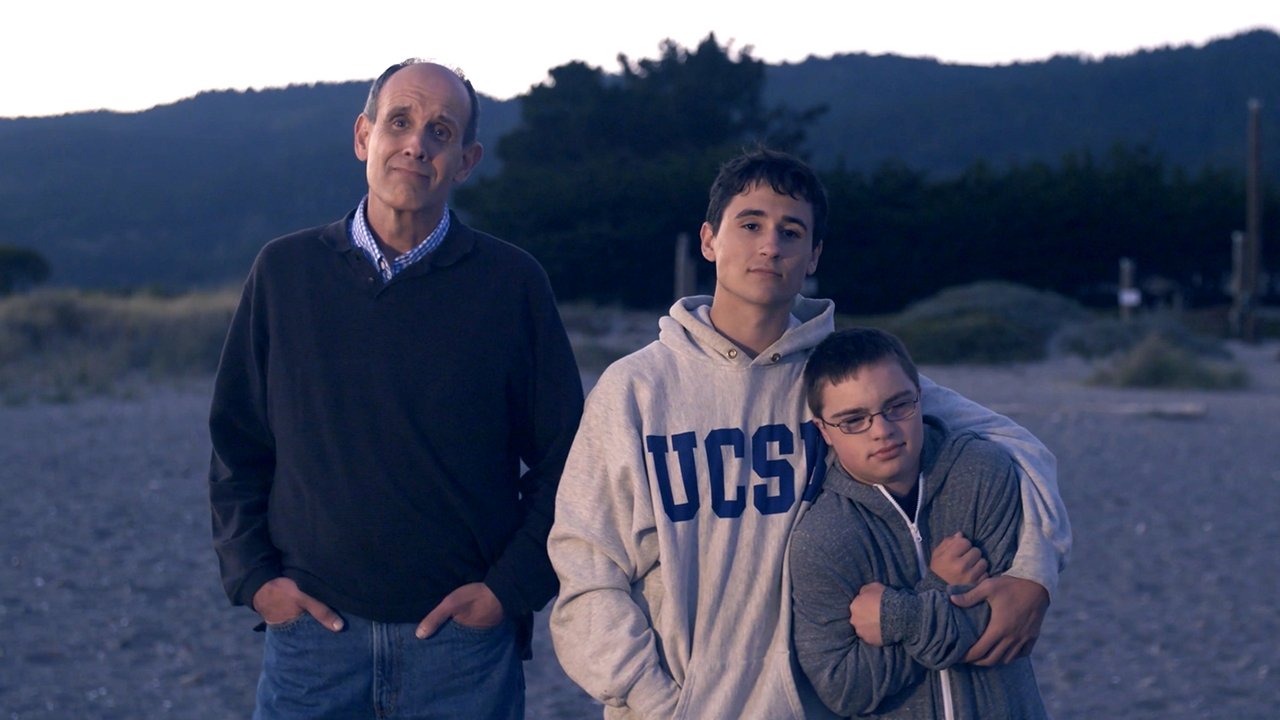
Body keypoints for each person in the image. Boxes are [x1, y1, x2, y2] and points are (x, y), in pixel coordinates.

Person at [547, 147, 1070, 719]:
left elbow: (1018, 447)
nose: (770, 245)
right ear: (709, 240)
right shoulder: (636, 390)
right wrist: (656, 700)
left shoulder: (842, 380)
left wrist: (1033, 576)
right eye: (750, 225)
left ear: (813, 254)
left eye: (791, 232)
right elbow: (587, 569)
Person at [208, 59, 584, 719]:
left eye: (441, 131)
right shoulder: (285, 273)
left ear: (466, 161)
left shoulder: (511, 284)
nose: (416, 144)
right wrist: (256, 579)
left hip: (462, 652)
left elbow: (570, 459)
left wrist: (508, 590)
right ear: (364, 136)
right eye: (400, 122)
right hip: (312, 643)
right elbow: (237, 446)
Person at [790, 327, 1048, 719]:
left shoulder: (981, 473)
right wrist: (939, 585)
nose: (882, 431)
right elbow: (844, 689)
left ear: (920, 397)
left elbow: (1000, 624)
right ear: (823, 430)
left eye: (898, 406)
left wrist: (893, 617)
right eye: (853, 420)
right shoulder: (822, 538)